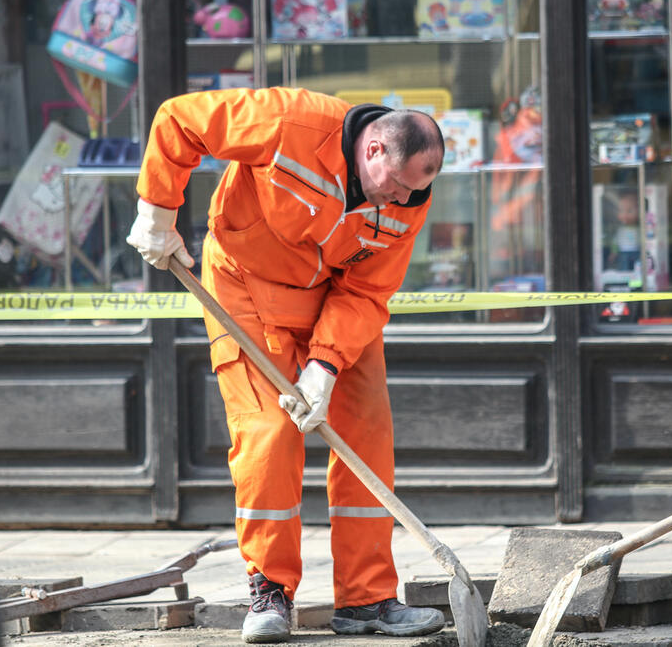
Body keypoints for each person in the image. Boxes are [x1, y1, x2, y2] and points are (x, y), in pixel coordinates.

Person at [127, 86, 446, 643]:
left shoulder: (408, 200)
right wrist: (158, 212)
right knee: (270, 433)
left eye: (413, 190)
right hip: (248, 288)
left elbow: (369, 291)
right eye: (394, 185)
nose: (398, 200)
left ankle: (367, 600)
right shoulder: (290, 122)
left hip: (336, 302)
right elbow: (178, 120)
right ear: (373, 151)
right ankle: (270, 590)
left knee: (366, 432)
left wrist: (325, 364)